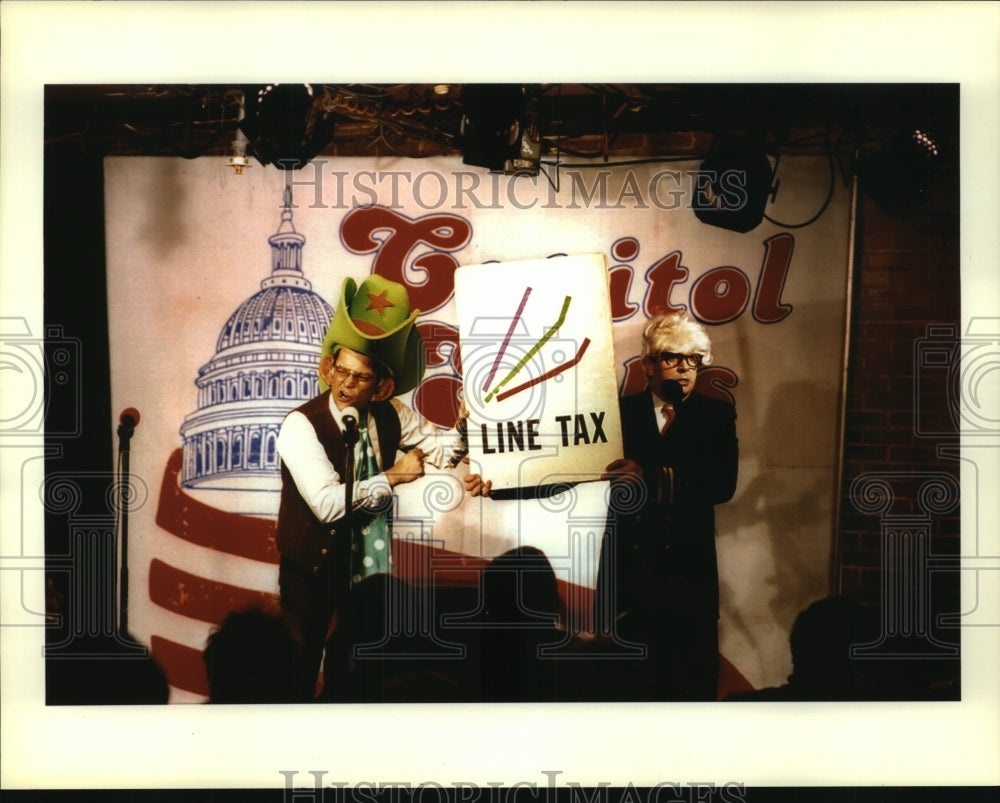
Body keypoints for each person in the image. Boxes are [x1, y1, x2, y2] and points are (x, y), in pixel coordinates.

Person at [275, 274, 468, 699]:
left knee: (358, 668)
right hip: (311, 571)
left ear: (382, 385)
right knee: (298, 670)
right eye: (341, 372)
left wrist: (464, 425)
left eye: (360, 378)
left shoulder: (391, 413)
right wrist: (395, 476)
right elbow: (327, 504)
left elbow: (445, 453)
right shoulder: (300, 424)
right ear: (328, 368)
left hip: (365, 569)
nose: (345, 384)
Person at [597, 311, 738, 700]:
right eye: (673, 357)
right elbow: (567, 465)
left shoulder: (716, 415)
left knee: (690, 698)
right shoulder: (619, 413)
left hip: (688, 584)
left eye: (693, 358)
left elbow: (722, 484)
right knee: (625, 699)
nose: (685, 367)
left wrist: (650, 478)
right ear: (648, 364)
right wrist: (496, 485)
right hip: (629, 580)